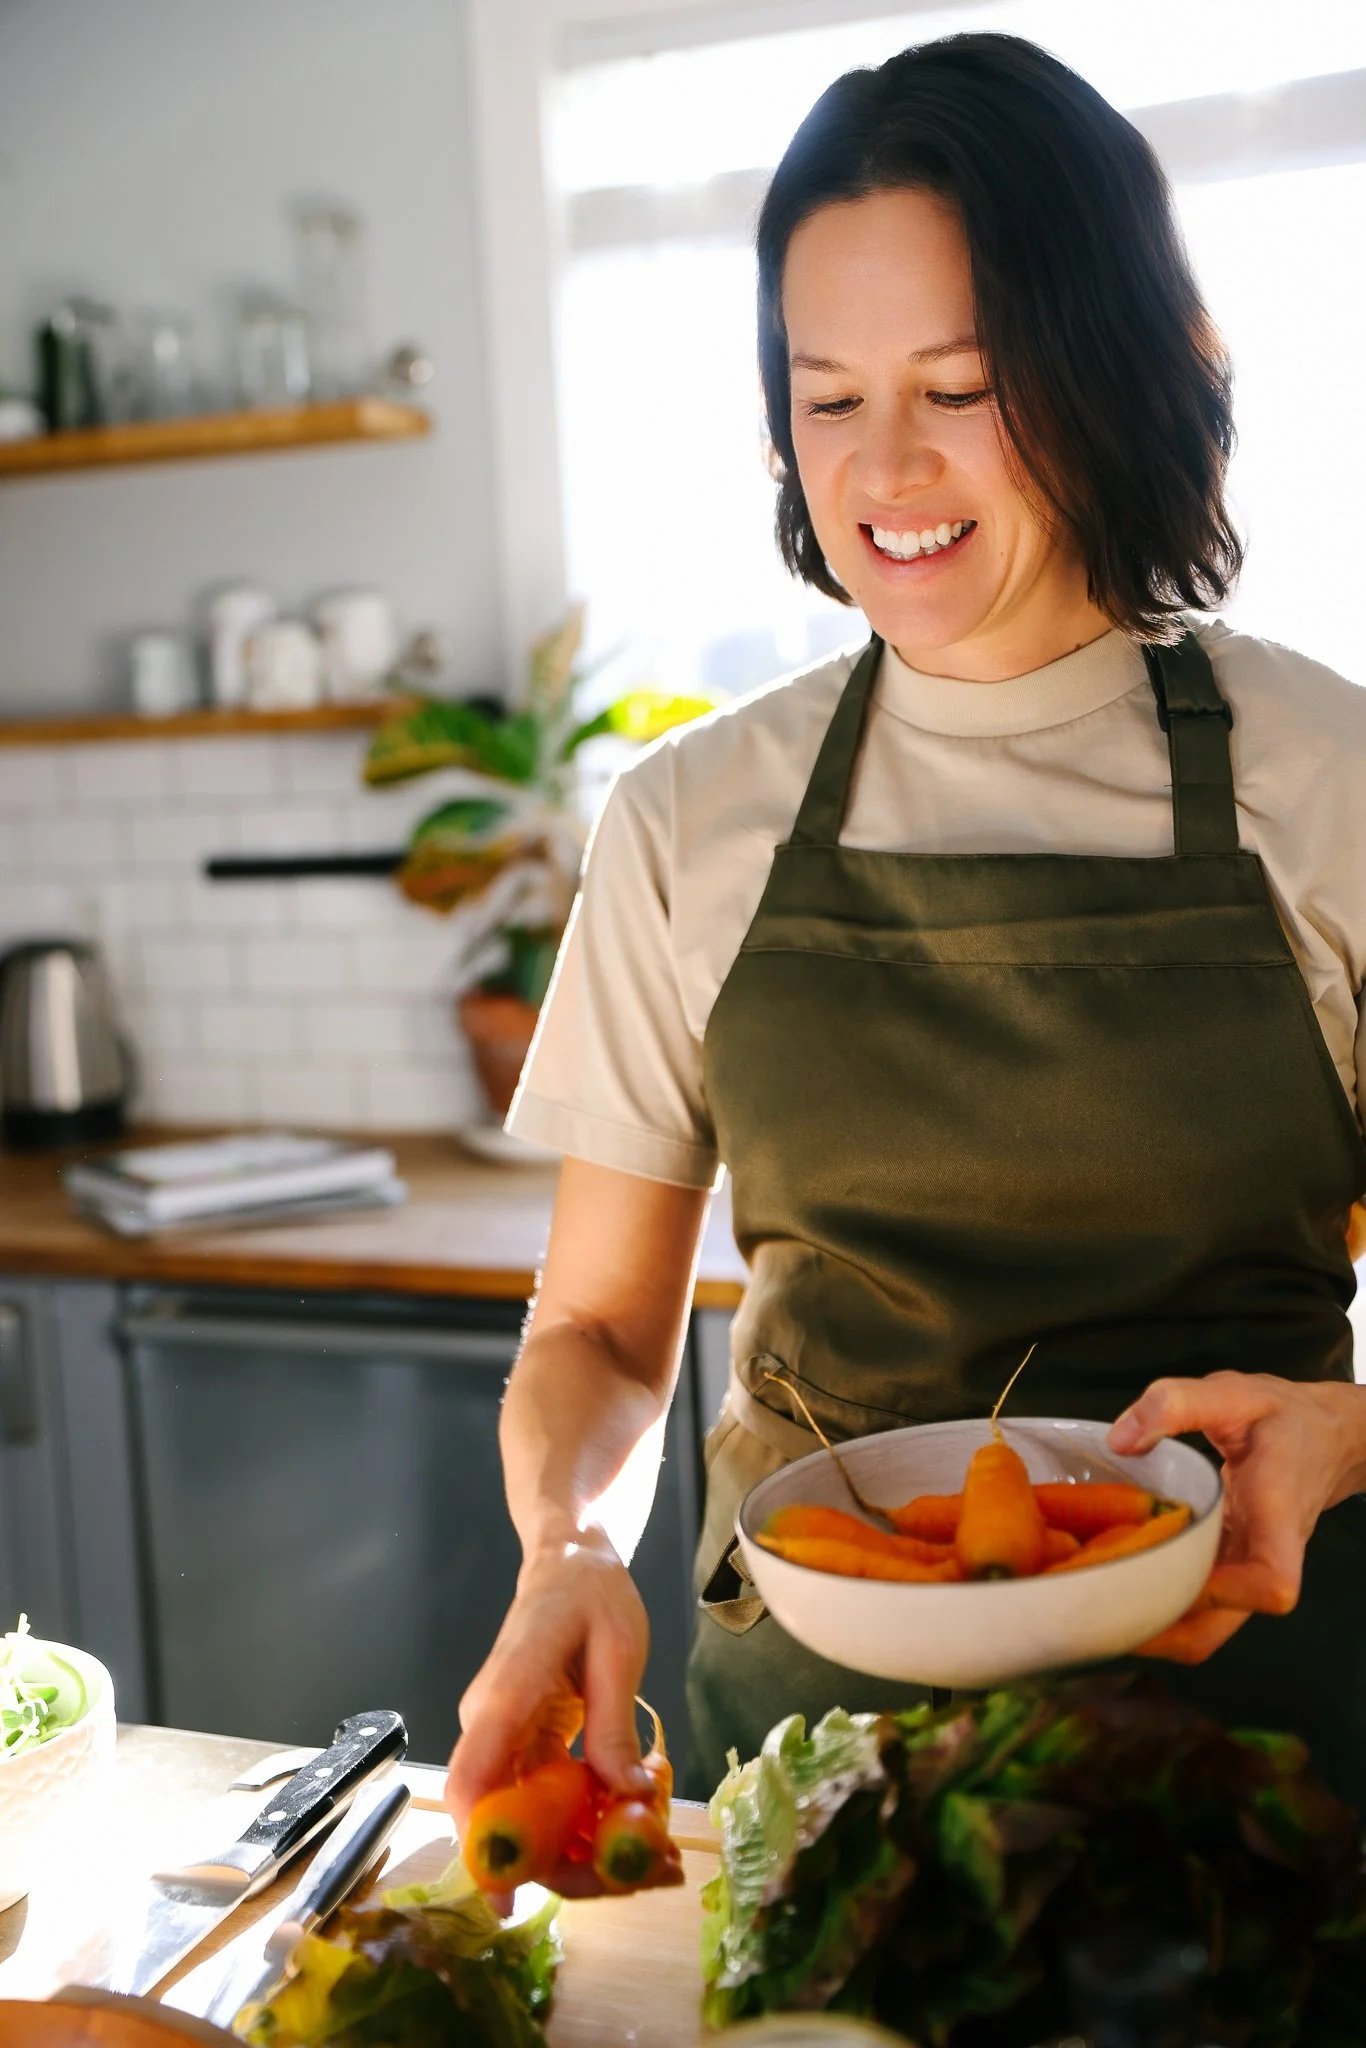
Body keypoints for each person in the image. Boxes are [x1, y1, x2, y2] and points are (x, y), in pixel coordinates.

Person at [446, 31, 1366, 1841]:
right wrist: (566, 1542)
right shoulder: (689, 818)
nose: (885, 468)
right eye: (828, 393)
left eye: (959, 384)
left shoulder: (1329, 778)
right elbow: (604, 1330)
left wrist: (1349, 1434)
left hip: (1260, 1754)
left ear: (1117, 375)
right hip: (813, 1760)